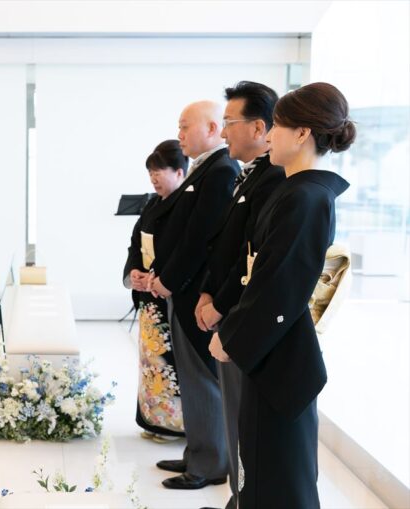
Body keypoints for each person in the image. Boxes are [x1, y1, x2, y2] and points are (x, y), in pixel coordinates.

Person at [209, 82, 354, 508]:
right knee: (265, 466)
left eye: (277, 126)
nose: (268, 136)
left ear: (303, 133)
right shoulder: (296, 191)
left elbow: (280, 286)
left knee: (279, 475)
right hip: (274, 348)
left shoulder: (307, 197)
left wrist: (231, 336)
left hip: (282, 355)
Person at [194, 81, 285, 509]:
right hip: (225, 307)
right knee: (235, 415)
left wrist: (217, 302)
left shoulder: (275, 179)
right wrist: (207, 292)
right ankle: (238, 497)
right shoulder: (249, 175)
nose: (224, 131)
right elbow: (225, 246)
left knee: (243, 419)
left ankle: (243, 497)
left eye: (229, 122)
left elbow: (250, 259)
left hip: (239, 314)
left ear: (259, 127)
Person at [148, 101, 239, 490]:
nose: (179, 134)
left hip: (193, 291)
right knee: (190, 378)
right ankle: (197, 451)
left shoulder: (221, 170)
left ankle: (210, 463)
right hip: (182, 289)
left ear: (212, 128)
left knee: (202, 379)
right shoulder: (206, 168)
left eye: (185, 126)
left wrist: (170, 280)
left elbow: (200, 239)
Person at [123, 141, 187, 443]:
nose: (153, 178)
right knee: (151, 362)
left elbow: (183, 252)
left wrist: (159, 278)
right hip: (149, 297)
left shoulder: (186, 207)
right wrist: (133, 273)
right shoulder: (152, 204)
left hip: (169, 293)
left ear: (179, 172)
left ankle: (174, 425)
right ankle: (153, 419)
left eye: (159, 172)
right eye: (150, 172)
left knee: (170, 362)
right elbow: (135, 244)